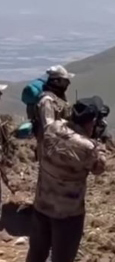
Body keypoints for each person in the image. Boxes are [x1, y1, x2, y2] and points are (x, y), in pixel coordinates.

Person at [26, 97, 107, 262]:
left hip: (42, 205)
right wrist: (100, 143)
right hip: (68, 214)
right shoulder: (87, 147)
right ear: (91, 122)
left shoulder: (52, 128)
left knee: (36, 254)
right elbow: (99, 168)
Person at [34, 66, 75, 142]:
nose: (68, 83)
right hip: (50, 147)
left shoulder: (59, 99)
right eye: (65, 81)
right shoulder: (47, 101)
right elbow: (49, 127)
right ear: (57, 82)